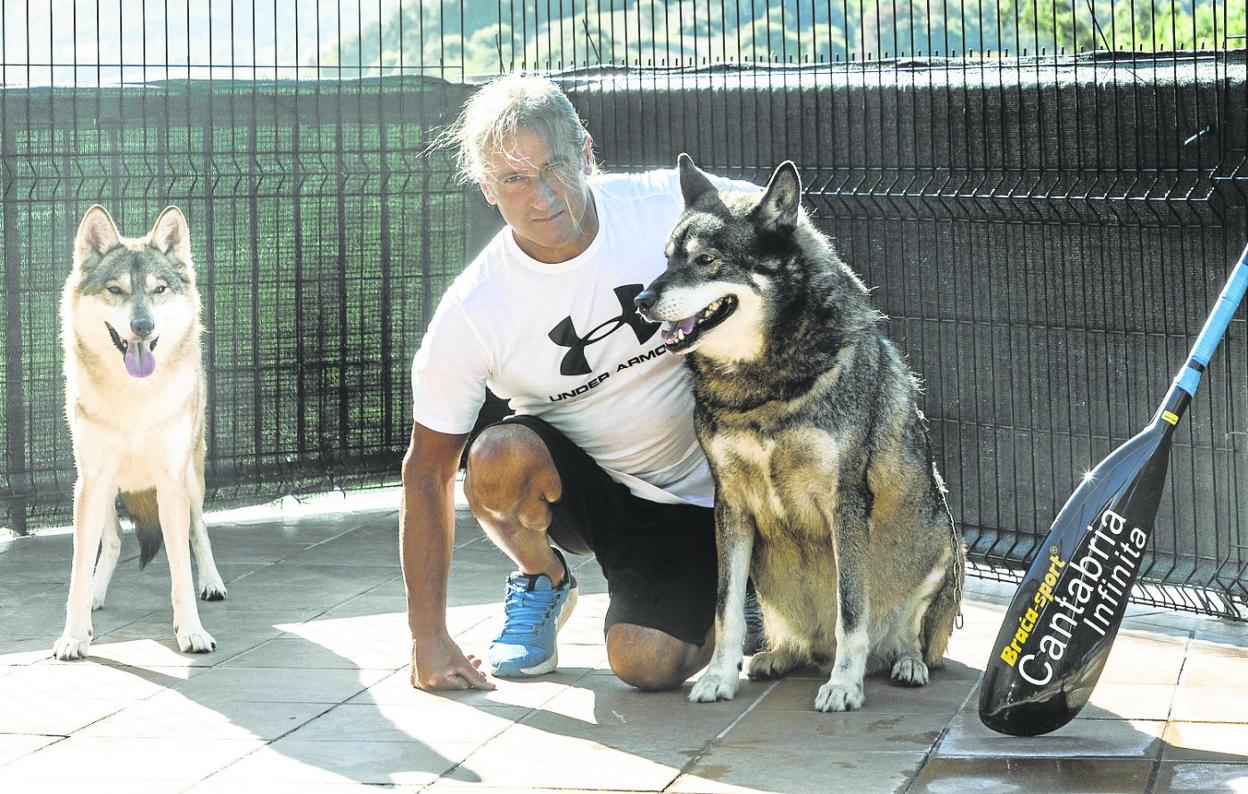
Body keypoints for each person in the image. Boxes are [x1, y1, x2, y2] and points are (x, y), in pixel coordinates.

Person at [401, 74, 760, 692]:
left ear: (588, 153)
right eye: (514, 179)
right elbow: (427, 473)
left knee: (649, 660)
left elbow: (788, 228)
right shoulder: (473, 309)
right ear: (487, 188)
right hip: (603, 500)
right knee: (496, 457)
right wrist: (427, 639)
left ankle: (747, 589)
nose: (542, 196)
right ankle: (543, 579)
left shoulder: (664, 207)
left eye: (556, 166)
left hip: (730, 478)